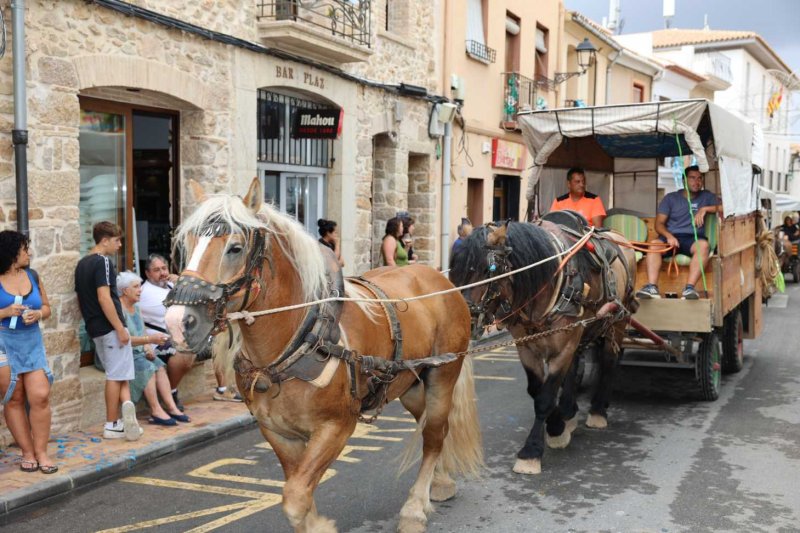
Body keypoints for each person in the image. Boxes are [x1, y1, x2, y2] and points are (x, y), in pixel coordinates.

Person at [74, 221, 141, 441]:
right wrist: (120, 327)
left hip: (95, 328)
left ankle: (123, 419)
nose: (120, 245)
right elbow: (104, 297)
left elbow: (82, 300)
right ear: (104, 240)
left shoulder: (82, 263)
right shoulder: (102, 261)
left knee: (119, 373)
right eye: (116, 240)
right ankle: (112, 423)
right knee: (114, 375)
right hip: (109, 328)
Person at [0, 230, 57, 473]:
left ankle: (42, 452)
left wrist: (39, 314)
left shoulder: (32, 275)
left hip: (31, 341)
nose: (29, 253)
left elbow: (46, 307)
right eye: (25, 249)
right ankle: (28, 452)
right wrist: (4, 312)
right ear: (12, 254)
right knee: (14, 397)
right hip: (3, 343)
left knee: (40, 395)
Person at [116, 272, 190, 425]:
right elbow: (123, 339)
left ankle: (171, 407)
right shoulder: (118, 309)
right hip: (123, 352)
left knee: (159, 366)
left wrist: (148, 347)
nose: (140, 290)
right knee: (148, 367)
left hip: (138, 350)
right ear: (124, 291)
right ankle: (156, 410)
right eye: (136, 287)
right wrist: (149, 340)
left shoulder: (135, 307)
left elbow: (141, 330)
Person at [636, 166, 720, 300]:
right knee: (653, 245)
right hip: (671, 237)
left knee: (703, 246)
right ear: (684, 180)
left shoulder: (706, 196)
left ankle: (689, 289)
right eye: (692, 178)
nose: (696, 182)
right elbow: (658, 224)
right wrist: (669, 236)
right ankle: (652, 287)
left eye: (700, 178)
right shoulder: (671, 198)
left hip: (693, 238)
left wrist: (705, 209)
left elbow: (725, 207)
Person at [139, 254, 195, 411]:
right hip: (155, 342)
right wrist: (182, 284)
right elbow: (185, 308)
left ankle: (223, 389)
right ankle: (171, 391)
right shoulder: (147, 292)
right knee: (185, 353)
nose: (162, 273)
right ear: (148, 273)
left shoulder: (168, 286)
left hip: (173, 336)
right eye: (156, 270)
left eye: (164, 268)